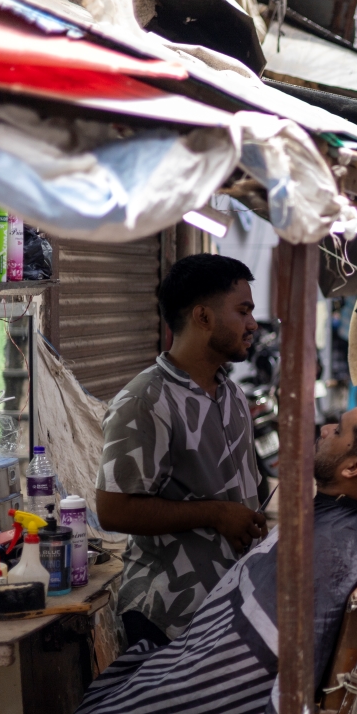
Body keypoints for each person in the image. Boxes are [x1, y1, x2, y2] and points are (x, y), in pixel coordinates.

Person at [20, 391, 357, 714]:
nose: (324, 430)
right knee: (115, 689)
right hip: (196, 658)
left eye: (337, 431)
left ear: (352, 469)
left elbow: (251, 654)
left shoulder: (335, 542)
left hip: (217, 693)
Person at [96, 254, 269, 646]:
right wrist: (216, 513)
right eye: (243, 311)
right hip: (168, 615)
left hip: (225, 609)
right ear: (203, 317)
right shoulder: (146, 400)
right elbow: (113, 509)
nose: (252, 324)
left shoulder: (232, 394)